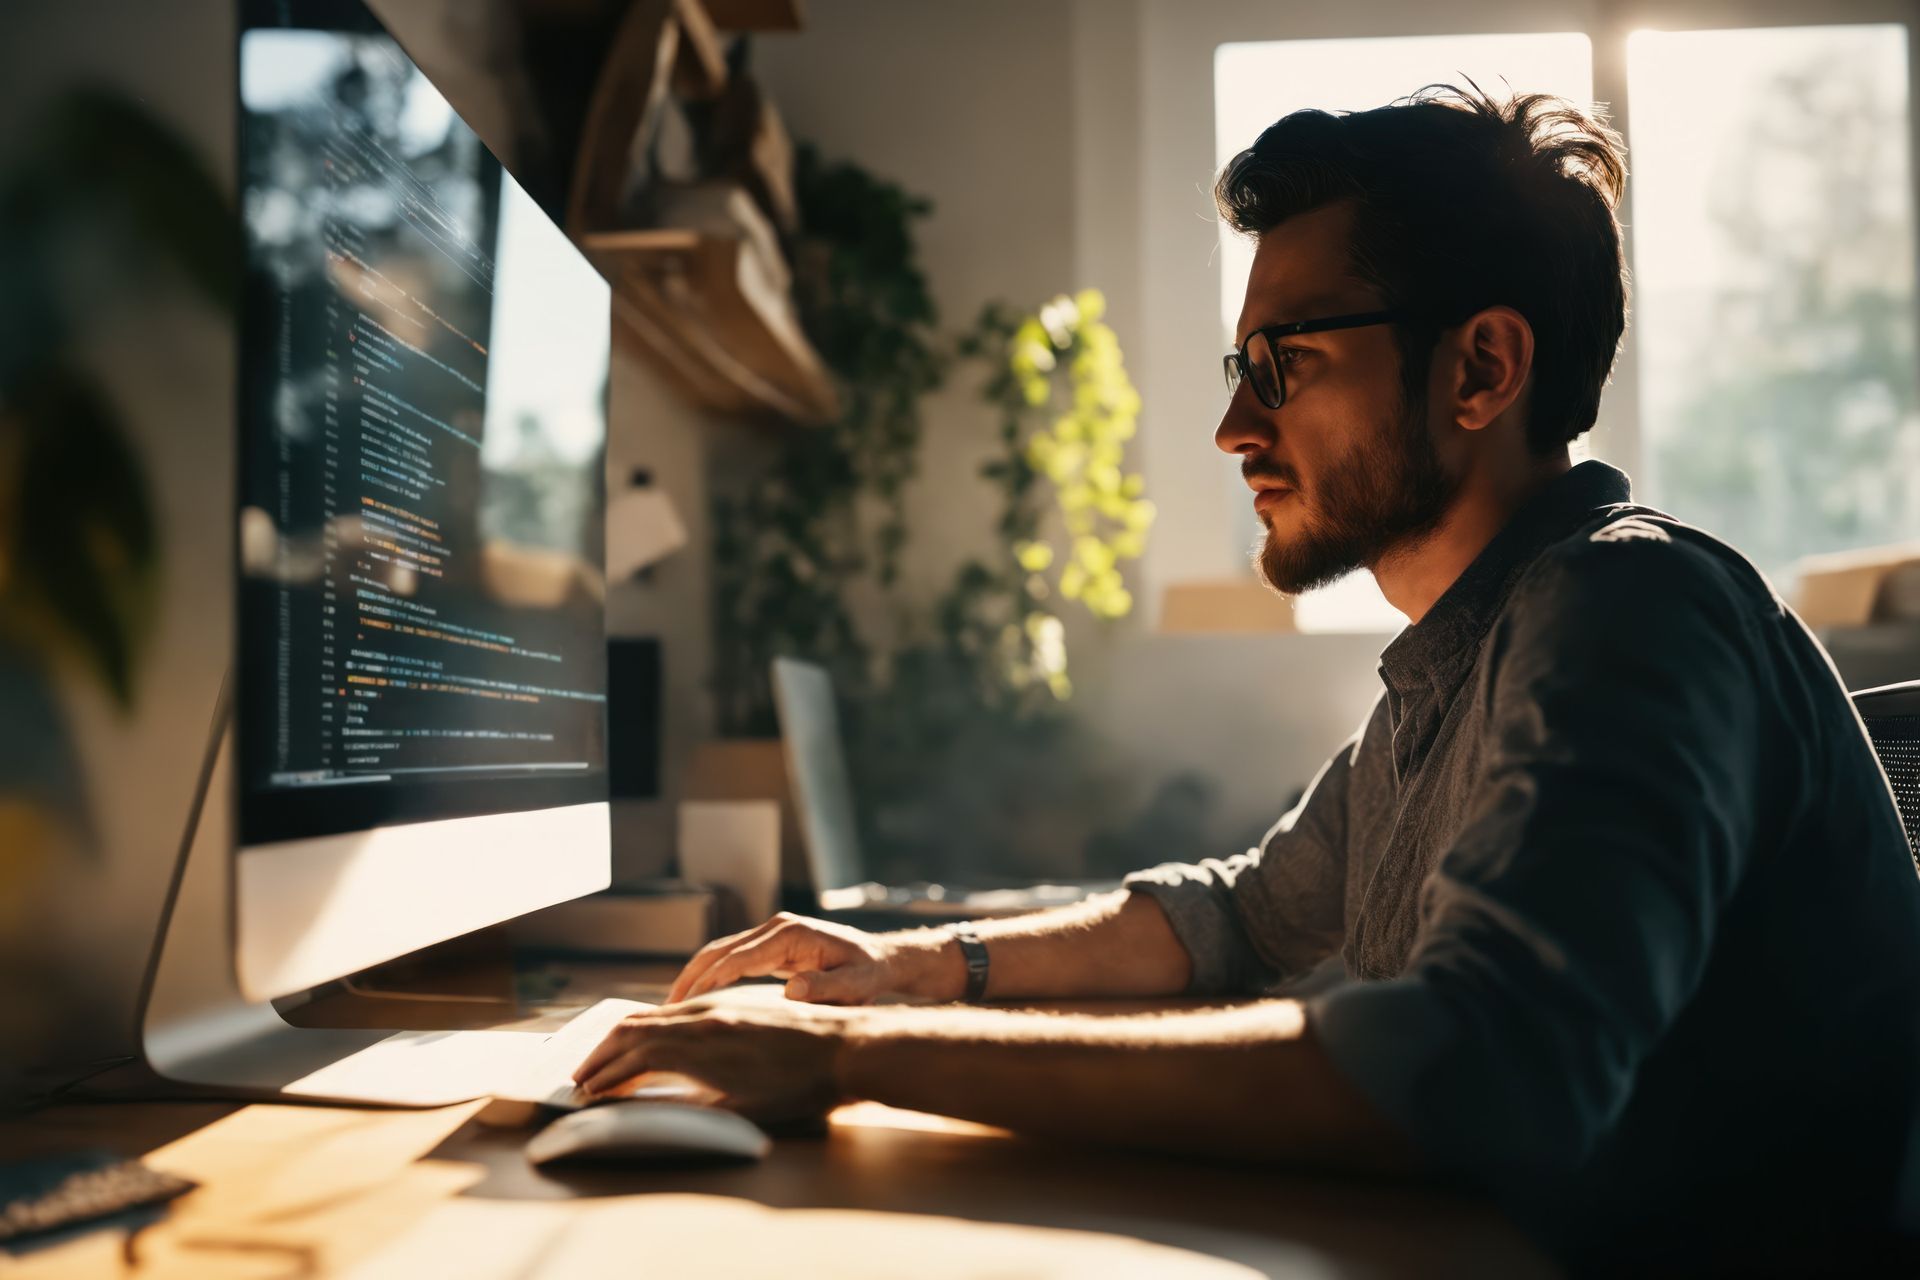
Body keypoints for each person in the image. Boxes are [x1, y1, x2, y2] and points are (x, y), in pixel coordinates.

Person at [575, 85, 1920, 1273]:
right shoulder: (1455, 664)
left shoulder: (1631, 605)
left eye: (1284, 364)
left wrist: (848, 1064)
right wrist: (904, 971)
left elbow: (1482, 1071)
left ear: (1482, 367)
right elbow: (1240, 921)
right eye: (1240, 368)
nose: (1232, 426)